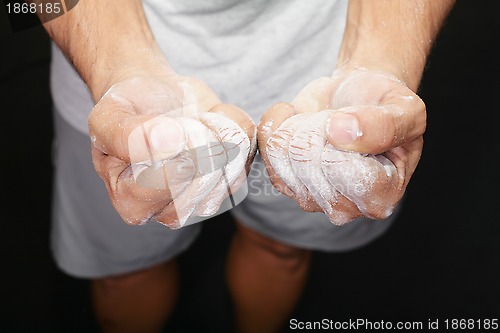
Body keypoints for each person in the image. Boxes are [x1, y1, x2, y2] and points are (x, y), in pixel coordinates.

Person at [41, 0, 455, 332]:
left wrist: (381, 65)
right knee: (125, 271)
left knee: (281, 252)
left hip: (325, 102)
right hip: (126, 108)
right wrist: (119, 72)